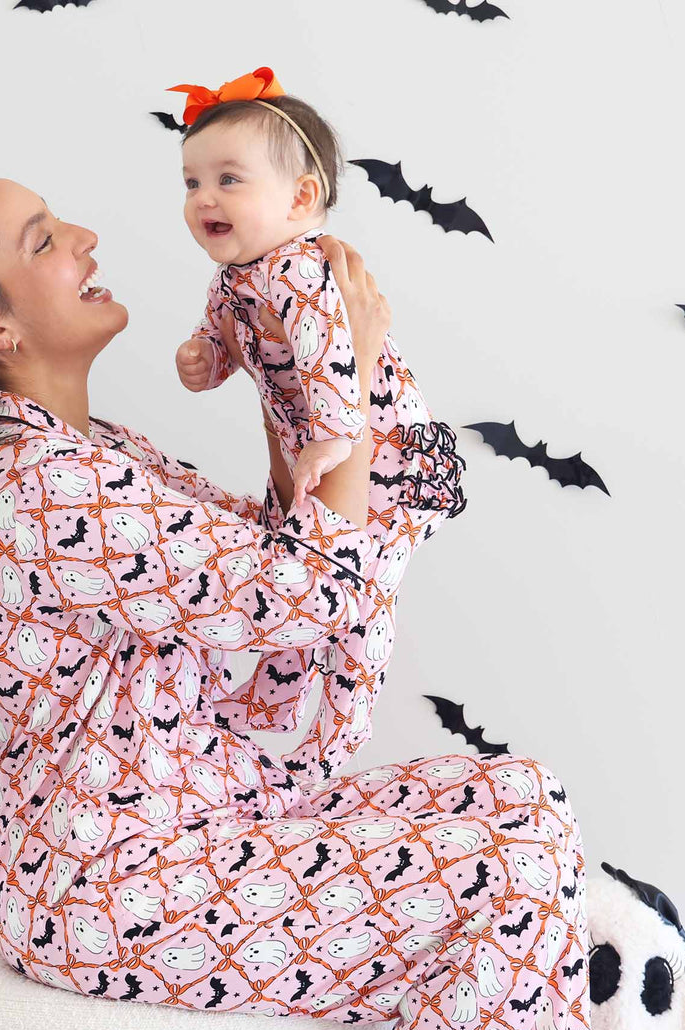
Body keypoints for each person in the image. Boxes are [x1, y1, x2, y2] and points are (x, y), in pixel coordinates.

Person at [0, 166, 592, 1030]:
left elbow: (265, 572)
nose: (83, 239)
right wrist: (354, 365)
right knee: (505, 865)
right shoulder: (34, 485)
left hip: (205, 829)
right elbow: (310, 590)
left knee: (522, 798)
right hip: (122, 892)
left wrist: (292, 376)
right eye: (41, 239)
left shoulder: (93, 452)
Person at [170, 67, 468, 787]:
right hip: (316, 463)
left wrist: (334, 438)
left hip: (387, 465)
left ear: (301, 198)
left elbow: (333, 355)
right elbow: (225, 352)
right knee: (298, 579)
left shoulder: (304, 269)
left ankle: (338, 730)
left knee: (355, 598)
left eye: (228, 179)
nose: (205, 198)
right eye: (191, 182)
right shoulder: (233, 279)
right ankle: (273, 704)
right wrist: (200, 360)